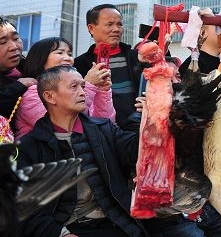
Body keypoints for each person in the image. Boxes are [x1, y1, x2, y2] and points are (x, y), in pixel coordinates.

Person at [17, 65, 145, 237]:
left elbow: (134, 152)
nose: (83, 92)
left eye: (83, 86)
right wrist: (60, 234)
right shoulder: (29, 146)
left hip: (115, 221)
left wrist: (150, 121)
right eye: (73, 87)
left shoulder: (103, 129)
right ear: (49, 96)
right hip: (66, 228)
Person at [14, 37, 115, 138]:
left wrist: (102, 91)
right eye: (60, 52)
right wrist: (89, 85)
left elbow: (104, 126)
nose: (68, 58)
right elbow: (61, 124)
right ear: (41, 58)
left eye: (70, 54)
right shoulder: (32, 93)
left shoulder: (84, 89)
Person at [74, 4, 142, 127]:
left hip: (136, 131)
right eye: (109, 24)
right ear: (91, 28)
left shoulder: (137, 57)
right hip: (99, 132)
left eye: (119, 24)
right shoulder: (78, 65)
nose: (116, 29)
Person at [0, 17, 32, 119]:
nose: (14, 47)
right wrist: (18, 86)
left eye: (16, 38)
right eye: (3, 42)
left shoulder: (31, 68)